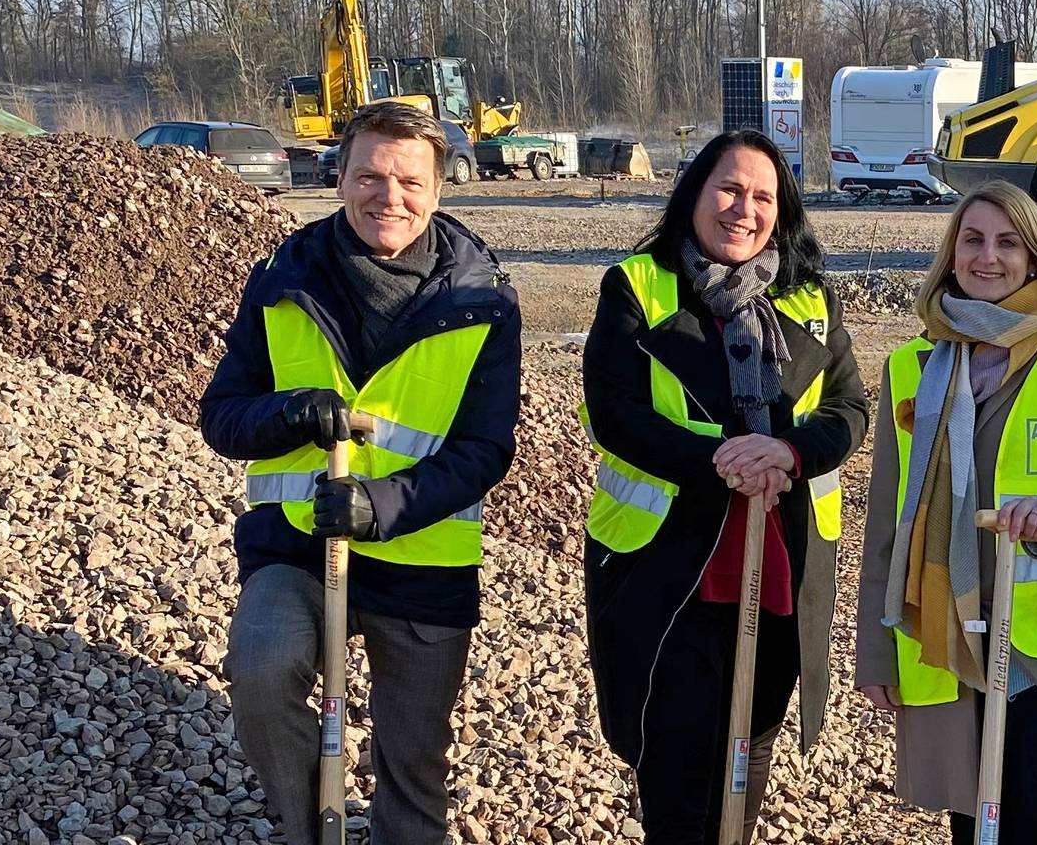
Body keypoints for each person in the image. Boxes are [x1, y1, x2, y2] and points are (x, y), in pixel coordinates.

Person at [201, 100, 520, 845]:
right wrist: (286, 414)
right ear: (337, 176)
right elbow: (221, 416)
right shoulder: (284, 278)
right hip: (295, 545)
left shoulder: (483, 300)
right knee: (262, 671)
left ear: (439, 189)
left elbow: (485, 450)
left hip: (422, 559)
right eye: (370, 176)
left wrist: (381, 505)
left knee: (412, 760)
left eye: (409, 181)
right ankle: (316, 829)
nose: (390, 197)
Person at [578, 130, 867, 843]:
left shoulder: (810, 299)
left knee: (751, 748)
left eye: (763, 196)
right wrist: (725, 459)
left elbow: (850, 410)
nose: (744, 209)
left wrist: (788, 454)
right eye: (730, 189)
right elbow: (616, 412)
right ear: (696, 194)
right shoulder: (638, 288)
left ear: (783, 209)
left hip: (780, 566)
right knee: (674, 761)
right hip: (671, 567)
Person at [856, 181, 1037, 845]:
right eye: (974, 240)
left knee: (1027, 827)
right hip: (946, 641)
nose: (990, 257)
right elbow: (886, 529)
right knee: (969, 830)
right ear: (952, 255)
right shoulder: (910, 370)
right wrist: (875, 651)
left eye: (1009, 243)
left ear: (1036, 259)